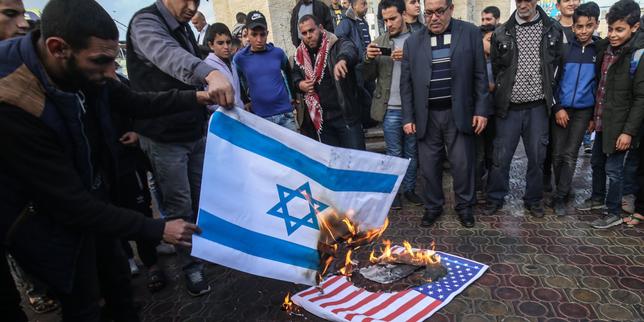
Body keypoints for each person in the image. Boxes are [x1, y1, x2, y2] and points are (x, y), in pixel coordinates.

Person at [0, 0, 220, 319]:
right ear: (58, 48)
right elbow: (69, 204)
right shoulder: (13, 101)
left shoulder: (88, 69)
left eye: (112, 60)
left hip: (98, 203)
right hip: (46, 223)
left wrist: (197, 96)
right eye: (101, 62)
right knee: (85, 303)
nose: (110, 73)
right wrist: (157, 229)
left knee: (120, 289)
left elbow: (132, 102)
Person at [127, 0, 235, 297]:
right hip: (165, 139)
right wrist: (209, 74)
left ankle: (205, 251)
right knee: (179, 207)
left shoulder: (184, 28)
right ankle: (190, 267)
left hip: (194, 132)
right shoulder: (144, 23)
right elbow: (170, 57)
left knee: (203, 200)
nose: (191, 6)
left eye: (198, 0)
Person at [401, 0, 490, 228]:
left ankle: (464, 207)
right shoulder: (412, 43)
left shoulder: (469, 33)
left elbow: (480, 75)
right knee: (429, 167)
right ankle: (433, 207)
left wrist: (481, 110)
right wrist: (408, 117)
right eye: (429, 12)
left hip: (458, 113)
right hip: (427, 115)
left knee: (463, 165)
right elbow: (407, 84)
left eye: (440, 11)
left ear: (450, 9)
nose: (434, 18)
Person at [484, 0, 563, 218]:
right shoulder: (501, 32)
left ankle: (533, 199)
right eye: (519, 0)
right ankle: (495, 197)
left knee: (537, 157)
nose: (523, 4)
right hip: (508, 107)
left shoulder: (552, 29)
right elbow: (497, 68)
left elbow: (556, 63)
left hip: (538, 106)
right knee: (500, 157)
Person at [580, 0, 643, 229]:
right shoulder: (604, 49)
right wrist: (592, 118)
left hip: (620, 127)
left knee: (614, 171)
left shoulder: (637, 55)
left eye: (620, 30)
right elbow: (600, 86)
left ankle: (614, 210)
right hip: (602, 121)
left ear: (634, 27)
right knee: (597, 161)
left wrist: (628, 132)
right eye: (611, 29)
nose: (614, 35)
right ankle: (597, 198)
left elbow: (640, 98)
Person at [363, 0, 422, 209]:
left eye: (393, 18)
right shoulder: (380, 41)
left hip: (413, 109)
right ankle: (395, 192)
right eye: (385, 20)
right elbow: (367, 77)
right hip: (390, 109)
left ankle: (409, 189)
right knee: (393, 153)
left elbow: (428, 71)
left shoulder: (418, 39)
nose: (388, 23)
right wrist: (368, 59)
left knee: (412, 152)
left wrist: (410, 58)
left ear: (404, 15)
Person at [549, 2, 600, 216]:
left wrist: (593, 117)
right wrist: (557, 108)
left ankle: (560, 196)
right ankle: (563, 187)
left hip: (583, 111)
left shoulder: (600, 50)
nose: (584, 31)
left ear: (596, 25)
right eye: (579, 26)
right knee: (557, 153)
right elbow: (552, 82)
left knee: (570, 154)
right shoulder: (564, 50)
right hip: (561, 110)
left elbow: (600, 86)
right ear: (573, 28)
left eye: (588, 26)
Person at [292, 14, 365, 150]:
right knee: (334, 166)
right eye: (304, 33)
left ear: (320, 28)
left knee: (356, 163)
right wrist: (299, 84)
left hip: (345, 118)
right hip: (322, 123)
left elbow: (350, 49)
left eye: (311, 30)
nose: (308, 36)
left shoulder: (335, 43)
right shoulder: (299, 55)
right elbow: (295, 74)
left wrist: (343, 60)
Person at [235, 11, 297, 130]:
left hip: (285, 115)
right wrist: (245, 100)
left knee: (292, 149)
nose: (259, 39)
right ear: (247, 33)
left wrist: (292, 96)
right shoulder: (240, 58)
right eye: (254, 34)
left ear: (267, 33)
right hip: (261, 118)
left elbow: (289, 72)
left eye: (262, 34)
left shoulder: (277, 53)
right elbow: (237, 78)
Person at [336, 0, 377, 129]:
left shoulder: (363, 22)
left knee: (371, 89)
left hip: (367, 62)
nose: (366, 6)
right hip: (357, 64)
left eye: (366, 3)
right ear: (353, 6)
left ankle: (371, 119)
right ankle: (362, 122)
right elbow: (339, 37)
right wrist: (352, 51)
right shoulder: (346, 22)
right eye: (362, 4)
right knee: (359, 92)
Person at [474, 23, 497, 203]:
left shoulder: (499, 62)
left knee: (493, 154)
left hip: (495, 114)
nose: (493, 44)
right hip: (476, 115)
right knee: (477, 155)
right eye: (490, 40)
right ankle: (476, 189)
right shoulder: (472, 61)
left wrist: (495, 87)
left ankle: (491, 188)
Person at [204, 23, 244, 110]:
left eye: (228, 42)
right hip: (225, 117)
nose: (226, 47)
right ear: (211, 45)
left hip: (239, 115)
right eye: (220, 43)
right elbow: (209, 100)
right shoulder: (207, 66)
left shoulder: (231, 63)